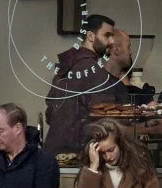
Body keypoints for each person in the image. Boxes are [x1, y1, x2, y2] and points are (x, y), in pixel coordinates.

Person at [44, 13, 117, 156]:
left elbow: (49, 115)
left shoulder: (64, 69)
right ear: (90, 36)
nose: (112, 41)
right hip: (78, 157)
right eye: (107, 35)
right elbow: (104, 122)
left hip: (52, 155)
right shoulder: (96, 73)